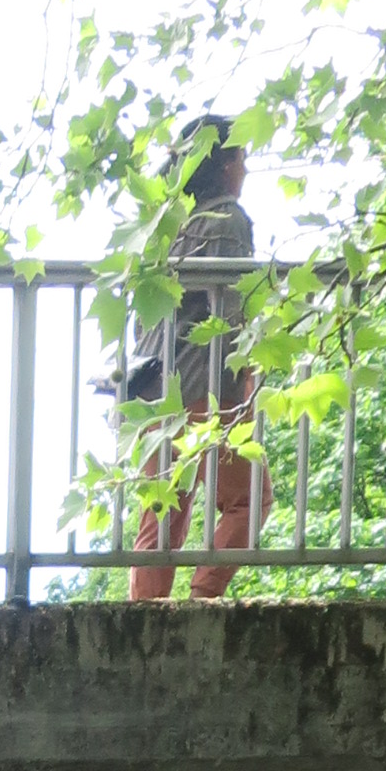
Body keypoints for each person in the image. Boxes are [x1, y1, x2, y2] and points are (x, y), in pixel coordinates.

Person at [127, 117, 264, 604]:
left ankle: (143, 618)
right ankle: (200, 602)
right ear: (224, 164)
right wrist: (244, 379)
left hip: (152, 390)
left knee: (163, 512)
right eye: (242, 158)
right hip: (204, 385)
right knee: (249, 501)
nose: (246, 169)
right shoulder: (227, 218)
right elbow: (230, 312)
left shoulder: (163, 227)